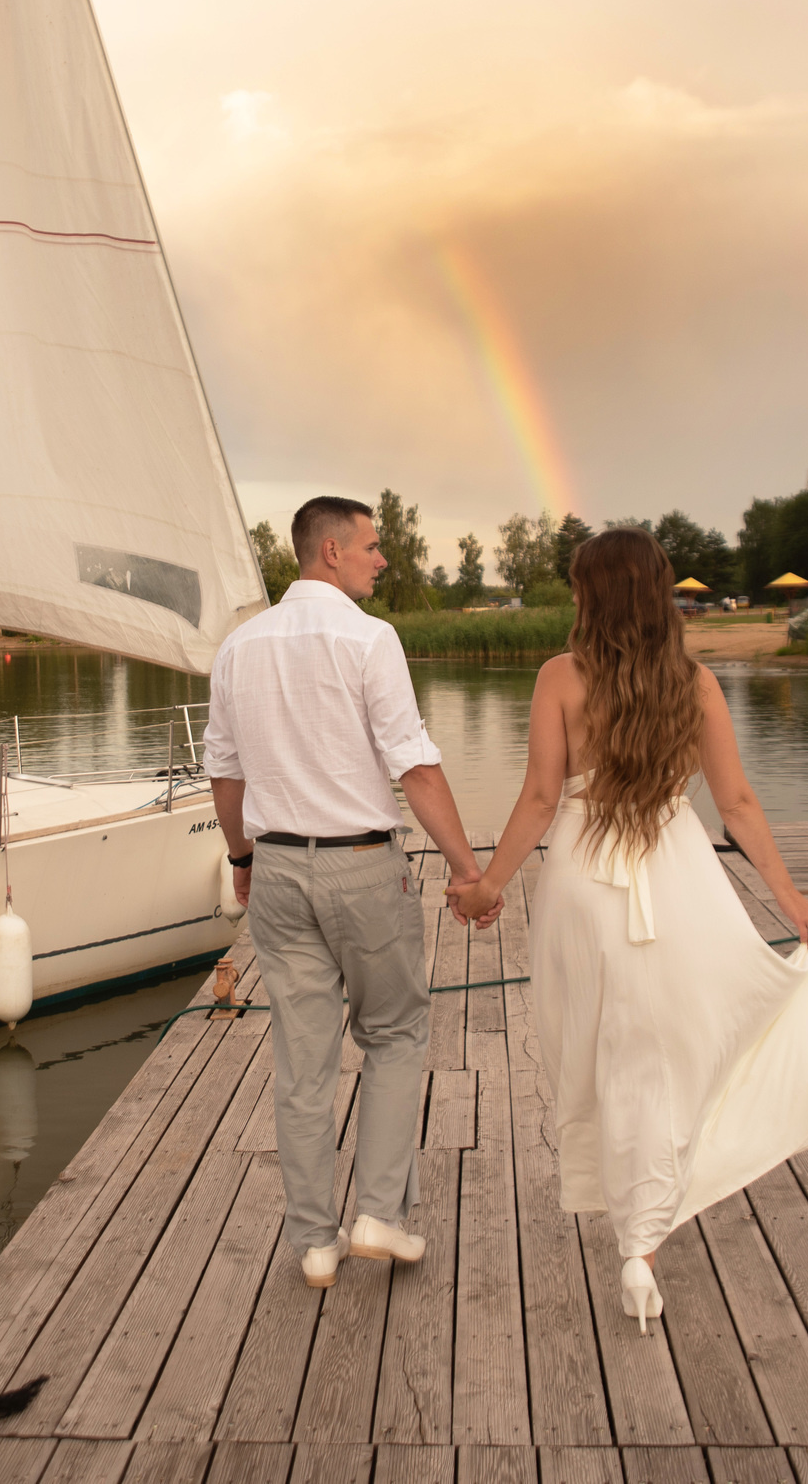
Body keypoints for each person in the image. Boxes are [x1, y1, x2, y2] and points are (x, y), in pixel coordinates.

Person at [453, 526, 808, 1333]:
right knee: (671, 1049)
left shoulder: (559, 676)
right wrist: (789, 895)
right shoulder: (694, 683)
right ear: (660, 594)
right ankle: (642, 1243)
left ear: (592, 594)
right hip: (678, 875)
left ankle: (633, 1223)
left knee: (601, 1047)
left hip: (584, 882)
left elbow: (543, 799)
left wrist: (488, 885)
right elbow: (735, 805)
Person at [205, 496, 496, 1289]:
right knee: (395, 1033)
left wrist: (241, 855)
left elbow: (224, 774)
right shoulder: (370, 639)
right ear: (330, 551)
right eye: (372, 546)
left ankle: (315, 1241)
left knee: (303, 1060)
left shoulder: (238, 646)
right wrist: (469, 871)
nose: (382, 559)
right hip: (363, 866)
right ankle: (378, 1213)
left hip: (278, 871)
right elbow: (416, 768)